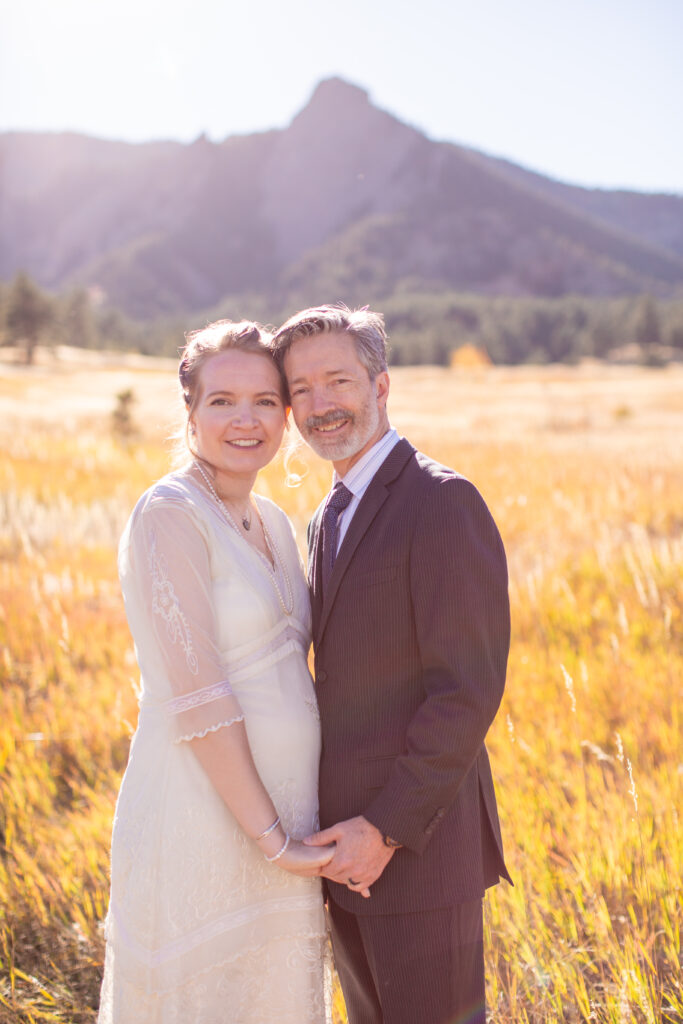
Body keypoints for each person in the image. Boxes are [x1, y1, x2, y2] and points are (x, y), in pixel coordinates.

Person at [271, 305, 512, 1024]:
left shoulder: (440, 502)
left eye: (337, 380)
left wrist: (383, 830)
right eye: (301, 390)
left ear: (381, 387)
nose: (320, 405)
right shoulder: (329, 514)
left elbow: (465, 693)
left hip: (415, 848)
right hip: (341, 853)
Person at [98, 320, 334, 1024]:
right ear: (190, 412)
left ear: (285, 416)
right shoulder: (169, 514)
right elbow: (198, 696)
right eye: (222, 400)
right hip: (204, 817)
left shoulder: (274, 520)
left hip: (289, 819)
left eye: (265, 401)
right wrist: (273, 842)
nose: (245, 419)